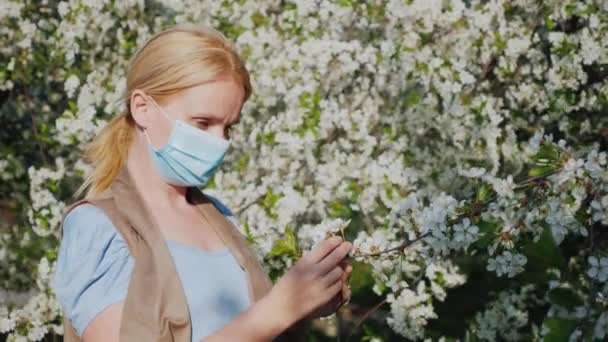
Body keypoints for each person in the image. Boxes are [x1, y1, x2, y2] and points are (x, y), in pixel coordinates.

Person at [52, 23, 353, 342]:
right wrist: (278, 308)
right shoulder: (98, 227)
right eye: (203, 123)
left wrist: (303, 306)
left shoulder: (219, 217)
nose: (219, 142)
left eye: (228, 127)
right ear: (142, 108)